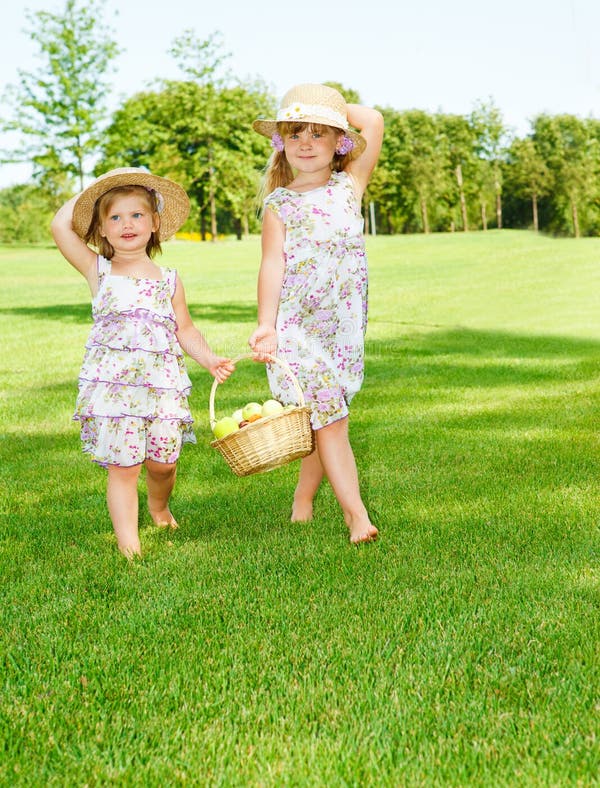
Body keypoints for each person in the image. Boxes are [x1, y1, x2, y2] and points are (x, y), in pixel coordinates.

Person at [51, 167, 234, 559]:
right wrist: (97, 186)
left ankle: (158, 505)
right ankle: (129, 543)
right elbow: (59, 227)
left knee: (163, 462)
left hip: (163, 388)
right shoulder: (98, 271)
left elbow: (184, 328)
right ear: (101, 230)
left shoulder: (169, 279)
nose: (126, 224)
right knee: (124, 466)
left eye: (136, 215)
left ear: (154, 223)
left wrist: (208, 357)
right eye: (114, 217)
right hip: (115, 391)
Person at [249, 84, 384, 544]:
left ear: (339, 142)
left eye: (318, 133)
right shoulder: (280, 203)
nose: (306, 143)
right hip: (297, 329)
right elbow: (273, 263)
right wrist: (266, 325)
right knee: (332, 417)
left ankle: (302, 501)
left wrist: (330, 107)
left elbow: (376, 120)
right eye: (295, 133)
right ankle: (356, 516)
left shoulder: (350, 186)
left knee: (323, 416)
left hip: (343, 328)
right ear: (282, 144)